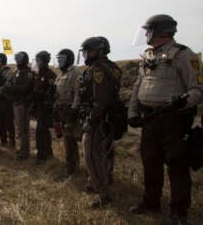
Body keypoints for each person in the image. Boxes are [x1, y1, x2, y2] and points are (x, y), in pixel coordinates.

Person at [128, 15, 203, 224]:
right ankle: (151, 202)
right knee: (150, 162)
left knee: (177, 165)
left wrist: (185, 102)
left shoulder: (184, 55)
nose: (146, 35)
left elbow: (198, 89)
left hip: (174, 120)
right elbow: (137, 87)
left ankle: (179, 212)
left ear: (161, 31)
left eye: (149, 31)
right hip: (149, 119)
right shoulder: (147, 55)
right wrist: (132, 112)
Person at [73, 36, 122, 208]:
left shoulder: (98, 69)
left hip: (98, 119)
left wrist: (90, 120)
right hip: (107, 118)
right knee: (104, 153)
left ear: (99, 51)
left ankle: (103, 194)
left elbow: (100, 100)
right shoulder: (111, 67)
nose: (85, 55)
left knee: (92, 156)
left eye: (88, 51)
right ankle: (100, 182)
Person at [54, 48, 81, 175]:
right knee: (66, 138)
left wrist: (73, 110)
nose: (59, 62)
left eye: (62, 59)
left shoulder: (75, 72)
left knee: (71, 138)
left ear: (69, 60)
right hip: (61, 109)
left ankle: (73, 166)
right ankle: (70, 164)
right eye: (58, 60)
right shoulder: (61, 74)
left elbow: (77, 93)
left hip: (69, 109)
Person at [8, 51, 35, 160]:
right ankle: (22, 148)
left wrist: (13, 87)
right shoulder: (17, 71)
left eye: (19, 58)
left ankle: (25, 151)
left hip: (23, 103)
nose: (17, 60)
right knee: (19, 128)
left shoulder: (28, 72)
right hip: (16, 102)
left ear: (25, 59)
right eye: (16, 58)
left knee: (23, 129)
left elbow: (26, 88)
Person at [32, 51, 57, 165]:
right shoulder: (38, 74)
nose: (37, 62)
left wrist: (47, 102)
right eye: (37, 60)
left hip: (45, 107)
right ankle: (47, 153)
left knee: (42, 130)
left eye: (39, 60)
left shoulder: (50, 75)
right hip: (38, 106)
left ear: (45, 61)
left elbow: (52, 92)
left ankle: (42, 156)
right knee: (41, 131)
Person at [0, 53, 16, 148]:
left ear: (3, 61)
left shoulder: (8, 72)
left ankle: (12, 141)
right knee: (0, 121)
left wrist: (1, 90)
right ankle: (3, 141)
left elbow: (9, 85)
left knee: (8, 122)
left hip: (7, 100)